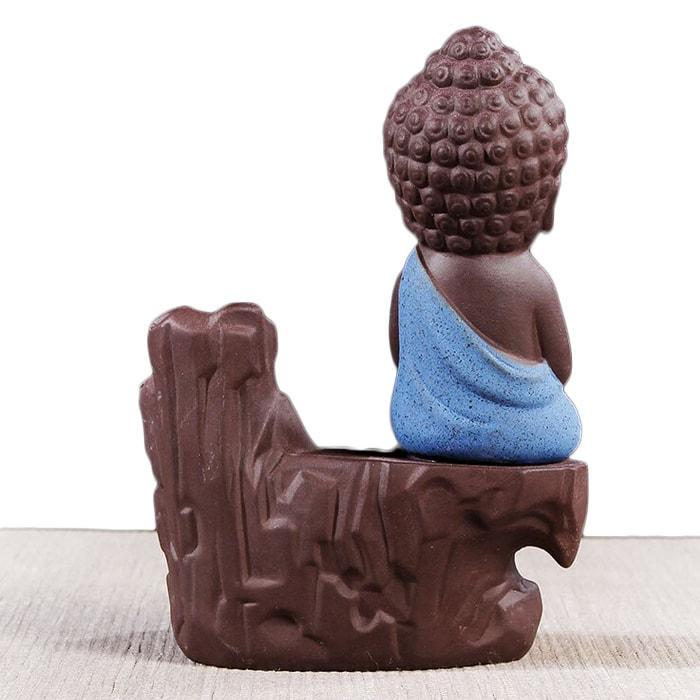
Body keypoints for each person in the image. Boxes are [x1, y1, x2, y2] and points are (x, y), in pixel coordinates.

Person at [385, 27, 581, 464]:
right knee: (562, 424)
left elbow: (400, 354)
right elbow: (562, 366)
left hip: (421, 425)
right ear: (537, 196)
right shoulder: (530, 281)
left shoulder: (412, 272)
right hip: (525, 433)